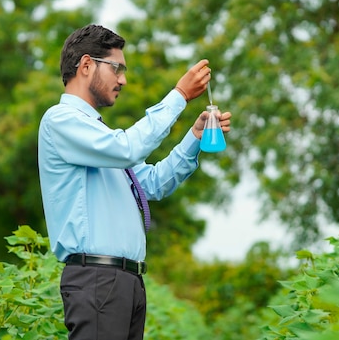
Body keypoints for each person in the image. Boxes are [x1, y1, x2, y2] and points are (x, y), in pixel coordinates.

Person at [37, 24, 231, 340]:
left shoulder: (100, 138)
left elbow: (153, 184)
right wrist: (179, 95)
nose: (123, 80)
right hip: (97, 280)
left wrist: (194, 138)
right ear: (86, 65)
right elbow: (128, 149)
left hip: (125, 282)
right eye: (117, 69)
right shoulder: (61, 121)